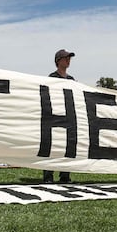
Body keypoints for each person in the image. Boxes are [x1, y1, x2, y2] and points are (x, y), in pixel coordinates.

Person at [43, 49, 76, 184]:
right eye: (65, 58)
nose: (68, 60)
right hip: (54, 116)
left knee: (68, 146)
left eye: (69, 58)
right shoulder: (51, 78)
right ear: (58, 61)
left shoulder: (71, 80)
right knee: (51, 146)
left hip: (67, 117)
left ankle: (65, 176)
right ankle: (48, 176)